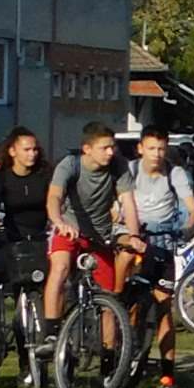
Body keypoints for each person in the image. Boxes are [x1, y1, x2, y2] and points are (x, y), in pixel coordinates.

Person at [125, 130, 194, 388]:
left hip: (164, 241)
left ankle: (167, 372)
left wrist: (187, 228)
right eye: (151, 148)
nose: (157, 155)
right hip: (136, 239)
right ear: (140, 149)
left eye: (161, 149)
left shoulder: (175, 173)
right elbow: (118, 204)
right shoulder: (130, 171)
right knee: (129, 305)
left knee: (163, 306)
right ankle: (124, 361)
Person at [45, 122, 138, 335]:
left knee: (108, 298)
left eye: (112, 147)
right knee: (60, 269)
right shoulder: (70, 165)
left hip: (100, 236)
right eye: (104, 148)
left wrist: (134, 235)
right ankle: (51, 332)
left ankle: (109, 351)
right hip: (70, 229)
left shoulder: (118, 165)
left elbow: (129, 203)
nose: (110, 152)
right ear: (87, 149)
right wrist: (59, 222)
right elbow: (54, 197)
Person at [0, 128, 55, 386]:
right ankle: (23, 362)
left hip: (40, 240)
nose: (32, 154)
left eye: (35, 149)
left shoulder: (44, 175)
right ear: (13, 151)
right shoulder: (2, 178)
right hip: (13, 243)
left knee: (43, 298)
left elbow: (54, 201)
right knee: (16, 302)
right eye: (26, 149)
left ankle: (45, 358)